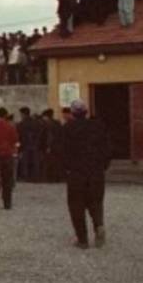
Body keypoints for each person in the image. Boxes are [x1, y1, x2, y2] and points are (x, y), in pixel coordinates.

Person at [59, 100, 110, 249]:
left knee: (76, 205)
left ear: (73, 113)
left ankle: (82, 239)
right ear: (86, 112)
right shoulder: (98, 126)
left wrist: (65, 169)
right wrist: (103, 166)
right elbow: (107, 148)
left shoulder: (68, 128)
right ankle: (98, 225)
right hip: (96, 173)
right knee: (96, 202)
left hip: (76, 173)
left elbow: (62, 151)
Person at [16, 107, 42, 181]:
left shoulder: (21, 123)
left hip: (25, 145)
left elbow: (19, 135)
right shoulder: (36, 122)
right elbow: (40, 133)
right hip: (35, 144)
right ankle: (36, 176)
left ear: (23, 114)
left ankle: (26, 176)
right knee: (35, 161)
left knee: (25, 162)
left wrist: (19, 146)